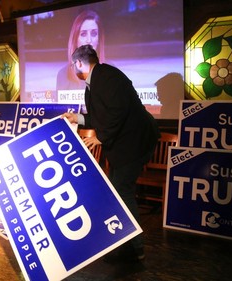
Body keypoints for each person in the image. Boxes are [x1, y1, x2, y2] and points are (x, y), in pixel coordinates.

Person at [61, 44, 160, 263]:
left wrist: (101, 137)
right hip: (125, 144)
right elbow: (102, 115)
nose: (73, 68)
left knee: (121, 191)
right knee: (118, 192)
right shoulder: (96, 80)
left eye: (73, 64)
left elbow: (118, 111)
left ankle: (135, 248)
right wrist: (77, 118)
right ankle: (128, 245)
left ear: (78, 63)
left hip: (134, 143)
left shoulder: (107, 76)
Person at [56, 10, 106, 91]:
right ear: (75, 39)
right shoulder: (63, 74)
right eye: (83, 34)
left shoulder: (111, 71)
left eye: (93, 34)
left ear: (99, 38)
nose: (89, 40)